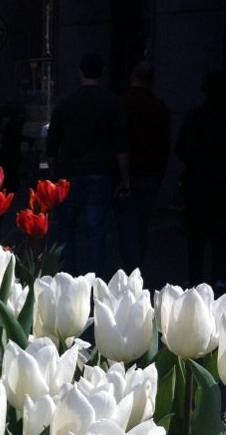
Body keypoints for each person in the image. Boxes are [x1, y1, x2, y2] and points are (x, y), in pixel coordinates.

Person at [46, 53, 129, 277]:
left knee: (65, 228)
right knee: (96, 232)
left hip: (68, 173)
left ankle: (67, 278)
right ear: (101, 73)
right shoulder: (113, 102)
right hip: (100, 173)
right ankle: (93, 282)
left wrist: (53, 178)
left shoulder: (64, 103)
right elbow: (121, 145)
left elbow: (52, 145)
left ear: (80, 72)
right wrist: (125, 179)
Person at [114, 61, 171, 274]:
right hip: (150, 174)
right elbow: (164, 147)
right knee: (142, 225)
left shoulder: (121, 104)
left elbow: (116, 142)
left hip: (126, 173)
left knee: (127, 226)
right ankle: (137, 267)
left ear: (133, 77)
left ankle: (134, 269)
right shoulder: (161, 108)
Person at [174, 69, 226, 288]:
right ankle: (220, 276)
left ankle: (194, 277)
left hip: (197, 181)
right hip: (222, 182)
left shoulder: (194, 115)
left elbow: (180, 148)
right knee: (220, 232)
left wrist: (194, 158)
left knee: (195, 233)